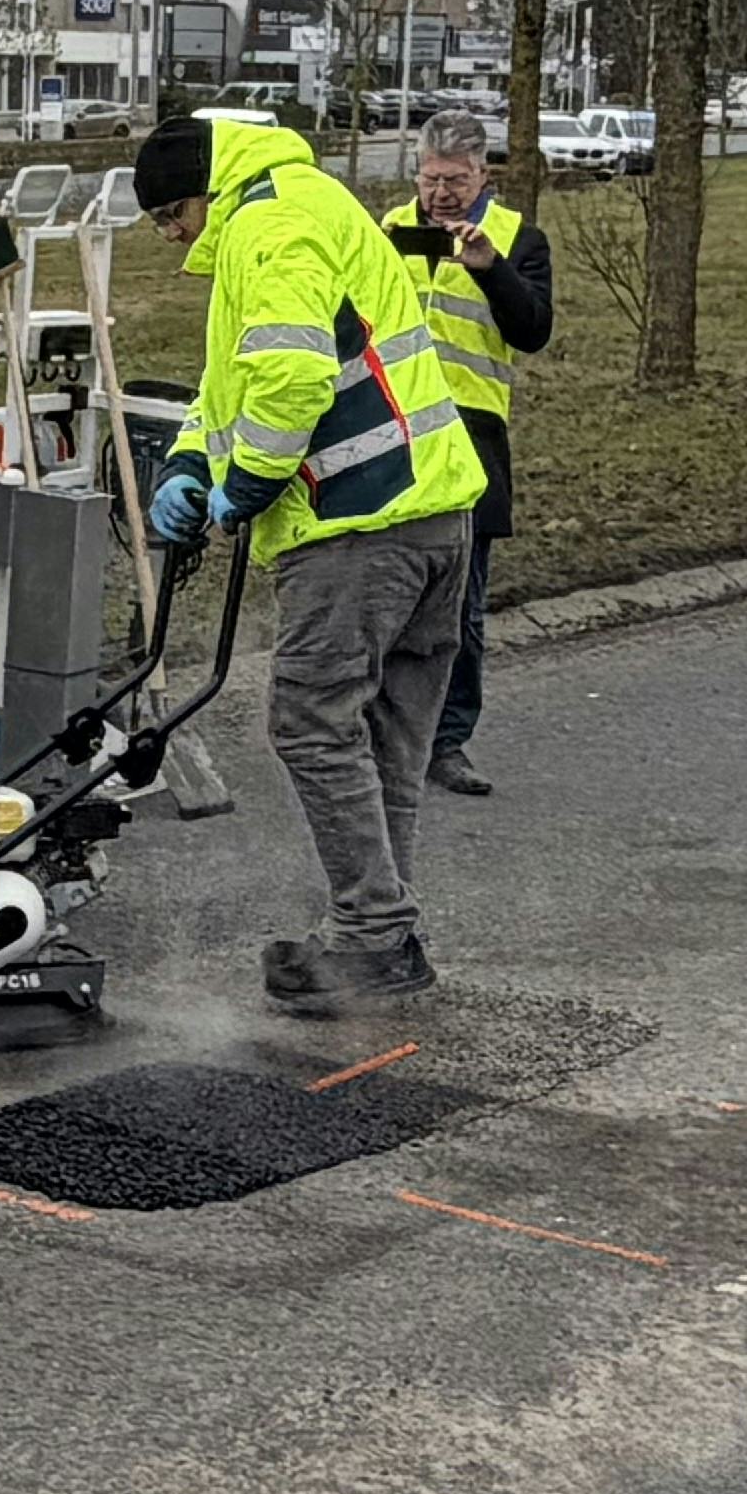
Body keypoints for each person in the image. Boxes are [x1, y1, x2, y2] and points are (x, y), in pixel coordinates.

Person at [135, 105, 486, 1012]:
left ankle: (372, 929)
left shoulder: (267, 226)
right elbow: (240, 382)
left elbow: (291, 380)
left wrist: (247, 484)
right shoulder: (308, 200)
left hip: (358, 523)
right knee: (388, 738)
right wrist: (189, 463)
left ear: (202, 193)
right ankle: (382, 934)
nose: (172, 238)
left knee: (310, 720)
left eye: (171, 216)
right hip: (436, 514)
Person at [387, 110, 554, 797]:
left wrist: (491, 270)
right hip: (395, 435)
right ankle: (386, 733)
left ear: (483, 174)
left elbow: (533, 330)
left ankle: (447, 741)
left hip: (471, 439)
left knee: (461, 604)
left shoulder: (518, 238)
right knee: (387, 595)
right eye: (431, 179)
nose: (442, 193)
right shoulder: (390, 231)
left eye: (456, 180)